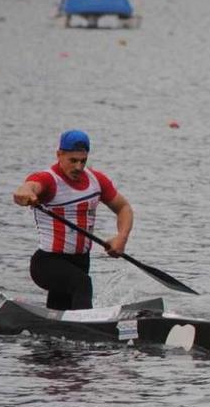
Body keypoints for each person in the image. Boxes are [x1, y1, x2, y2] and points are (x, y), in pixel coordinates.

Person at [12, 130, 133, 310]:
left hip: (81, 261)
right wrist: (24, 193)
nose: (78, 166)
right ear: (59, 155)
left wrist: (121, 238)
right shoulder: (48, 180)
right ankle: (89, 330)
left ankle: (53, 333)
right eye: (73, 160)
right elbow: (28, 187)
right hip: (48, 262)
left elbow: (124, 208)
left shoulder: (96, 181)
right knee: (83, 284)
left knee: (61, 310)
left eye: (82, 161)